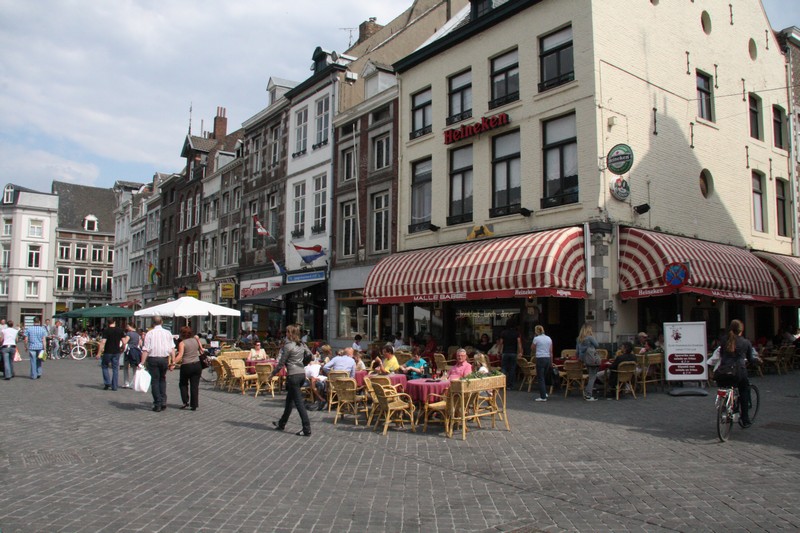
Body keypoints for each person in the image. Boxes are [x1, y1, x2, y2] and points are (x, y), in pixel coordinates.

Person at [271, 324, 313, 436]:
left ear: (290, 334)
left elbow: (281, 363)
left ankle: (306, 428)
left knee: (299, 403)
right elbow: (311, 356)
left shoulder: (288, 346)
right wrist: (303, 363)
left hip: (293, 376)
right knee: (289, 401)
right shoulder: (302, 344)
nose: (285, 334)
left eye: (286, 332)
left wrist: (272, 374)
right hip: (301, 374)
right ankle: (282, 423)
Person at [716, 319, 758, 427]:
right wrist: (757, 361)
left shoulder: (724, 340)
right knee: (744, 391)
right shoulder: (746, 342)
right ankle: (745, 418)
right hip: (739, 371)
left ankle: (727, 405)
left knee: (727, 387)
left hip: (723, 371)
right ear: (741, 330)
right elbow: (750, 358)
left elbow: (721, 355)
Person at [140, 315, 176, 412]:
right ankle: (163, 401)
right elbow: (172, 348)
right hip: (164, 359)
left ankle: (158, 403)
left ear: (153, 323)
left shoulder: (150, 333)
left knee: (155, 381)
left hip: (153, 359)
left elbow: (146, 349)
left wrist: (142, 362)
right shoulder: (167, 333)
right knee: (162, 379)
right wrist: (173, 361)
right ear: (162, 322)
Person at [174, 326, 203, 411]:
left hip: (187, 365)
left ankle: (185, 401)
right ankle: (194, 404)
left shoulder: (182, 343)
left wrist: (173, 363)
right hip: (197, 364)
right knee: (195, 385)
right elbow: (201, 349)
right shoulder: (195, 340)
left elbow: (180, 355)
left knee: (183, 384)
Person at [100, 318, 128, 391]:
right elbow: (124, 342)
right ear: (114, 322)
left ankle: (107, 382)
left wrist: (98, 353)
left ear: (108, 323)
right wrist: (122, 348)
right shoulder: (120, 330)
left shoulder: (106, 330)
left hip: (108, 351)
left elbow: (103, 342)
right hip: (116, 351)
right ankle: (114, 386)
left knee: (104, 366)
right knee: (115, 368)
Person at [577, 323, 600, 401]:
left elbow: (577, 351)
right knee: (592, 377)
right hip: (592, 359)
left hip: (585, 359)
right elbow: (597, 345)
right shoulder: (590, 338)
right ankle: (588, 394)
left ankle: (587, 392)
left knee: (590, 376)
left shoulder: (579, 339)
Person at [497, 321, 522, 389]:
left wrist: (499, 351)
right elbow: (519, 343)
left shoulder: (503, 333)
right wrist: (520, 352)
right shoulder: (517, 333)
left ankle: (502, 383)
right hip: (513, 352)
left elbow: (501, 343)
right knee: (512, 368)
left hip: (505, 352)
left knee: (504, 368)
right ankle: (510, 385)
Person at [531, 325, 553, 402]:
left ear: (536, 331)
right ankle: (544, 392)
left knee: (540, 378)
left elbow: (532, 348)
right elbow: (551, 351)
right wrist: (551, 361)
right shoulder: (548, 338)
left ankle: (543, 396)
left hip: (540, 358)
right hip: (547, 358)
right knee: (544, 376)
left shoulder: (536, 339)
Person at [123, 323, 141, 388]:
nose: (127, 328)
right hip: (135, 351)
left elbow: (125, 342)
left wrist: (123, 338)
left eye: (128, 326)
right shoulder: (138, 334)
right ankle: (134, 383)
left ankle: (126, 383)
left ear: (131, 327)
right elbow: (140, 343)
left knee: (126, 367)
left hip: (129, 351)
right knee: (134, 367)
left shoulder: (129, 333)